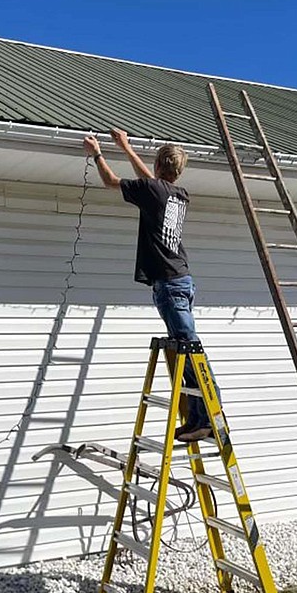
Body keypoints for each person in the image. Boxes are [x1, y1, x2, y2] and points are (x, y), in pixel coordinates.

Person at [82, 127, 215, 442]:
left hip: (169, 284)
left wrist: (97, 153)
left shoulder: (154, 191)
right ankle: (198, 418)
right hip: (181, 279)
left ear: (157, 166)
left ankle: (209, 418)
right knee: (186, 352)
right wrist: (126, 147)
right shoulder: (178, 195)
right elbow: (152, 183)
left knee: (193, 352)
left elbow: (110, 181)